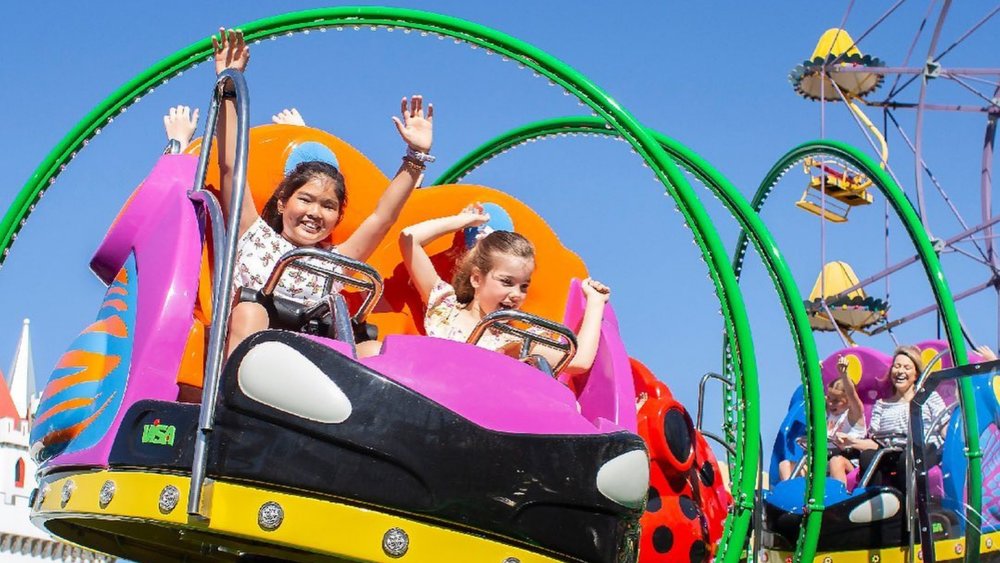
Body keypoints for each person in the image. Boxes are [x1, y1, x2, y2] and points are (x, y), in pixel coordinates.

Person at [212, 28, 434, 356]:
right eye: (305, 199)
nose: (315, 213)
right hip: (255, 344)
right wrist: (229, 87)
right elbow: (231, 165)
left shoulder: (331, 263)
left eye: (328, 206)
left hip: (310, 361)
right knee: (250, 309)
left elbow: (382, 217)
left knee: (374, 349)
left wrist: (415, 158)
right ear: (283, 201)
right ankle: (236, 401)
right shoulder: (253, 234)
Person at [398, 203, 611, 376]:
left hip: (470, 415)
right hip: (426, 393)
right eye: (507, 282)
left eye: (524, 286)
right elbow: (409, 238)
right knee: (372, 349)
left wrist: (595, 301)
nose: (516, 294)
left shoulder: (513, 341)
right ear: (476, 278)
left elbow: (579, 361)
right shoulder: (446, 307)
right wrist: (463, 221)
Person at [835, 345, 947, 491]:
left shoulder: (928, 398)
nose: (900, 371)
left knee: (906, 459)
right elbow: (877, 444)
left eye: (907, 368)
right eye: (897, 366)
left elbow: (945, 428)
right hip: (892, 453)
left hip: (923, 450)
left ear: (916, 374)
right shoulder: (882, 405)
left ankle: (910, 507)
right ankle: (876, 503)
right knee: (868, 457)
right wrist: (852, 441)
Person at [777, 355, 867, 482]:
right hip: (823, 463)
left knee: (835, 462)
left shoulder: (854, 415)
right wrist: (815, 373)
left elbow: (852, 395)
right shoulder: (828, 413)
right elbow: (813, 395)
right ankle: (792, 498)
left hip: (847, 463)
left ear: (847, 402)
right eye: (829, 399)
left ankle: (837, 497)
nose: (830, 404)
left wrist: (844, 375)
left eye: (836, 401)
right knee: (785, 465)